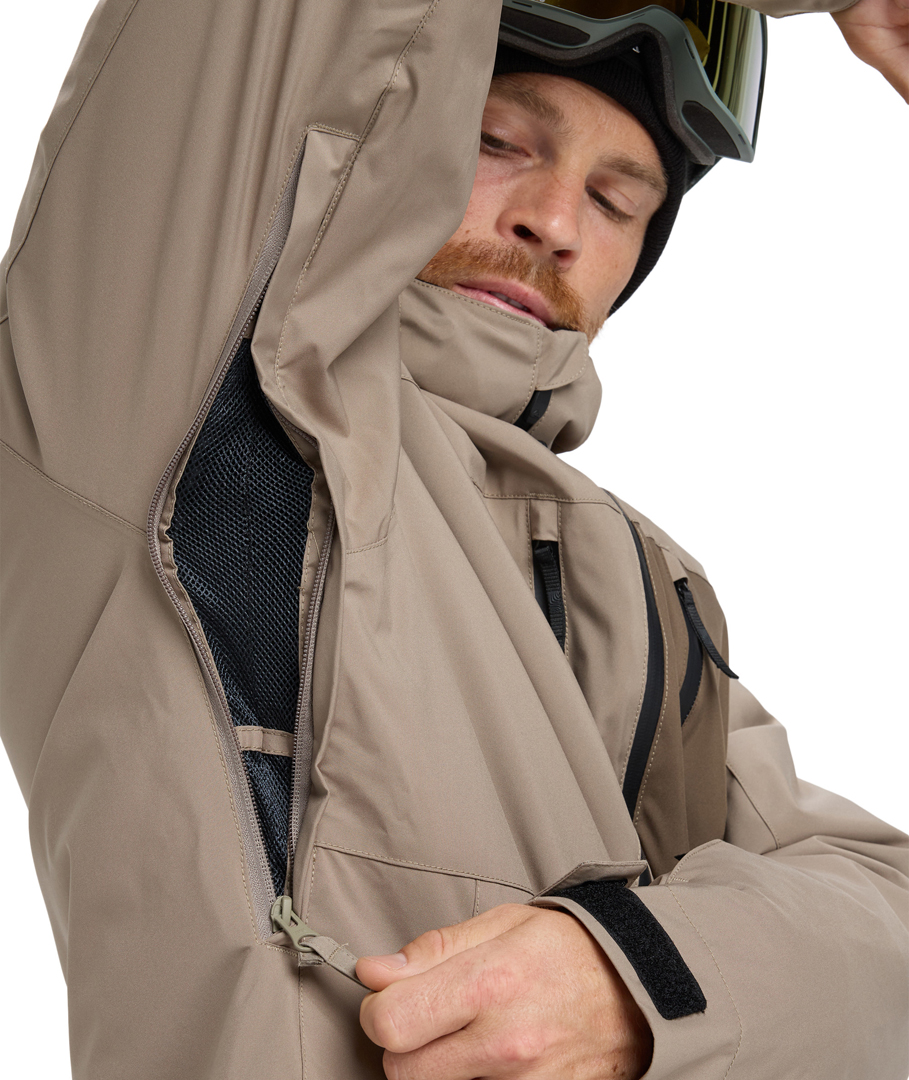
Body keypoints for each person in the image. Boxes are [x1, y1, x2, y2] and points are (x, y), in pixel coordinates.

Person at [0, 1, 906, 1078]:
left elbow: (885, 911)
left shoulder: (642, 584)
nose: (555, 222)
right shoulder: (180, 387)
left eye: (616, 200)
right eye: (494, 142)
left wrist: (637, 977)